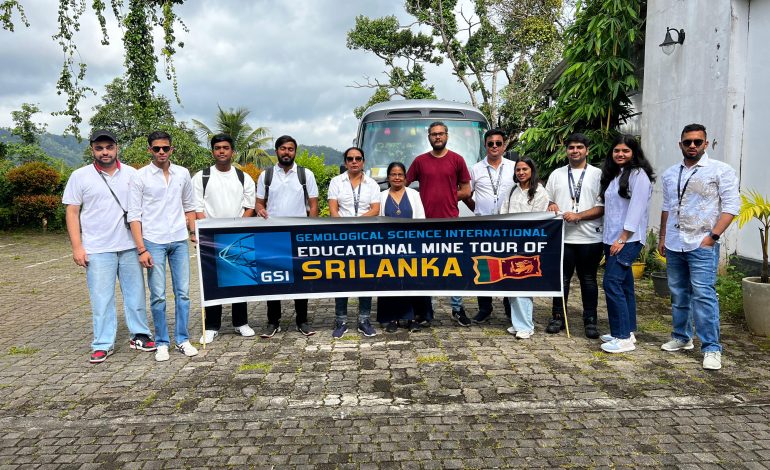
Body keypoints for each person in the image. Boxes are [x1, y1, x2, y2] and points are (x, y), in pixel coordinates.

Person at [62, 129, 156, 363]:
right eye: (99, 148)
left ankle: (140, 335)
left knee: (135, 294)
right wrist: (77, 247)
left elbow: (143, 210)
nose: (105, 152)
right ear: (92, 149)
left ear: (117, 147)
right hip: (97, 247)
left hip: (130, 246)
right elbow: (72, 212)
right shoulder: (79, 176)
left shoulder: (133, 174)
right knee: (101, 298)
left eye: (109, 147)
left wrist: (143, 244)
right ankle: (103, 343)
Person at [658, 123, 740, 370]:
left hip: (702, 243)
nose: (692, 145)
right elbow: (667, 207)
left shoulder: (720, 171)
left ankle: (712, 348)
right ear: (680, 144)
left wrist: (712, 237)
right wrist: (662, 237)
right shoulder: (671, 173)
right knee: (678, 292)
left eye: (697, 141)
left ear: (706, 143)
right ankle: (682, 337)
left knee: (703, 295)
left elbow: (731, 207)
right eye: (687, 142)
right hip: (674, 243)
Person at [128, 131, 198, 362]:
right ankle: (161, 342)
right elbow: (134, 215)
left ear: (171, 150)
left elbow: (189, 206)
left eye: (165, 148)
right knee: (158, 295)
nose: (161, 152)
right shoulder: (140, 177)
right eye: (156, 148)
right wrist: (141, 249)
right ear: (149, 150)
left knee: (184, 293)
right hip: (153, 241)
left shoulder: (183, 173)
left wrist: (193, 231)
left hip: (178, 240)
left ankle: (183, 339)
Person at [405, 121, 472, 326]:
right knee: (428, 268)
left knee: (454, 267)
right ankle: (427, 311)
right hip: (425, 223)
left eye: (440, 134)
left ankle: (457, 308)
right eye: (433, 134)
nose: (437, 137)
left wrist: (451, 196)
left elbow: (467, 190)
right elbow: (404, 185)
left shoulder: (457, 160)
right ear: (429, 137)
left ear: (447, 136)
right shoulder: (419, 161)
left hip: (450, 222)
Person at [193, 134, 257, 344]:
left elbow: (250, 207)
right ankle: (211, 326)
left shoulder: (243, 177)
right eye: (218, 148)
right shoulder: (201, 177)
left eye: (226, 148)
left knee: (239, 278)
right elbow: (197, 207)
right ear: (212, 151)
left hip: (237, 234)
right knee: (212, 281)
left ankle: (241, 323)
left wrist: (235, 226)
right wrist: (208, 229)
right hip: (210, 237)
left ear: (232, 152)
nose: (222, 151)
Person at [255, 135, 320, 338]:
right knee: (273, 279)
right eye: (283, 148)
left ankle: (302, 321)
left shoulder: (305, 174)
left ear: (295, 152)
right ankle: (273, 322)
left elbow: (314, 204)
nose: (287, 152)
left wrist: (311, 229)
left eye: (291, 149)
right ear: (277, 151)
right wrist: (260, 210)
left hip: (299, 235)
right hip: (272, 236)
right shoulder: (265, 175)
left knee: (299, 279)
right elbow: (259, 203)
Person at [598, 135, 655, 353]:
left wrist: (622, 238)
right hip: (611, 238)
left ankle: (622, 338)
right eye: (616, 151)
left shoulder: (638, 175)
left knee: (611, 283)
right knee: (624, 284)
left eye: (625, 151)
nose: (620, 154)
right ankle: (626, 330)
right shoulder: (615, 175)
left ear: (634, 153)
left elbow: (636, 209)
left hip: (627, 239)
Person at [545, 133, 605, 339]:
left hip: (590, 238)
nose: (575, 151)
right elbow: (547, 201)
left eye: (580, 147)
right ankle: (557, 317)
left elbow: (602, 207)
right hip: (562, 237)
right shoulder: (556, 174)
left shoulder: (598, 174)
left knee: (588, 279)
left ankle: (590, 321)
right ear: (566, 151)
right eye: (571, 147)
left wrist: (579, 215)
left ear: (587, 150)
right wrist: (551, 205)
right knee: (561, 279)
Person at [465, 128, 516, 324]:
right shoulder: (476, 168)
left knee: (508, 264)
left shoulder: (514, 167)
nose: (494, 146)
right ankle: (484, 307)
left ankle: (509, 306)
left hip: (508, 225)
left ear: (504, 146)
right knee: (483, 264)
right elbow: (467, 194)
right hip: (483, 225)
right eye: (490, 143)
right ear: (485, 146)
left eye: (498, 143)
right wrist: (476, 210)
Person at [328, 146, 381, 338]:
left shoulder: (372, 184)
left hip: (365, 237)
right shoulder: (336, 182)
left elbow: (375, 209)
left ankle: (364, 319)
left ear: (363, 162)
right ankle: (340, 320)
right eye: (350, 159)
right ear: (345, 162)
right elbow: (333, 209)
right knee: (342, 278)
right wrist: (346, 227)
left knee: (365, 278)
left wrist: (356, 223)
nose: (354, 162)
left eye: (358, 158)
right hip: (342, 237)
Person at [376, 162, 429, 333]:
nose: (397, 178)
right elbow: (378, 222)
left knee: (412, 281)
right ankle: (391, 318)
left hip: (411, 246)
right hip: (389, 248)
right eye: (393, 174)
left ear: (406, 178)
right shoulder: (382, 196)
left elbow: (421, 219)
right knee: (390, 281)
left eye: (400, 175)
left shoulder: (414, 194)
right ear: (388, 178)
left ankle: (412, 318)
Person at [500, 157, 549, 339]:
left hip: (528, 244)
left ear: (532, 170)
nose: (521, 173)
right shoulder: (512, 190)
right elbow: (503, 213)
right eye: (518, 170)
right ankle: (517, 322)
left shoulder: (540, 192)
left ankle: (526, 326)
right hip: (510, 243)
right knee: (512, 283)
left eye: (525, 169)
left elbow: (538, 219)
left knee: (523, 284)